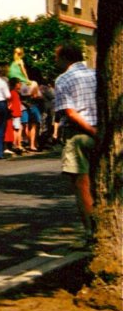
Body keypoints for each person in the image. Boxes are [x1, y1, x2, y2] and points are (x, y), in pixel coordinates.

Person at [53, 43, 96, 247]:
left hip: (78, 133)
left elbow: (70, 112)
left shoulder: (63, 79)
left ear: (64, 58)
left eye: (56, 57)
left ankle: (91, 233)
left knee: (81, 184)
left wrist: (90, 130)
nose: (55, 61)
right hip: (99, 130)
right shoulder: (95, 74)